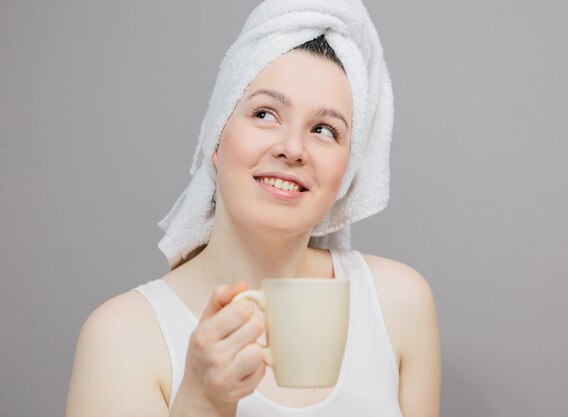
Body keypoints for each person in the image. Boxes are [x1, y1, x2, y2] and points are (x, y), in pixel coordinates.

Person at [66, 1, 440, 416]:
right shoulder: (124, 337)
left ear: (346, 172)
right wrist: (200, 402)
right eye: (264, 114)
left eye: (324, 130)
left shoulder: (398, 303)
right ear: (216, 140)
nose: (293, 149)